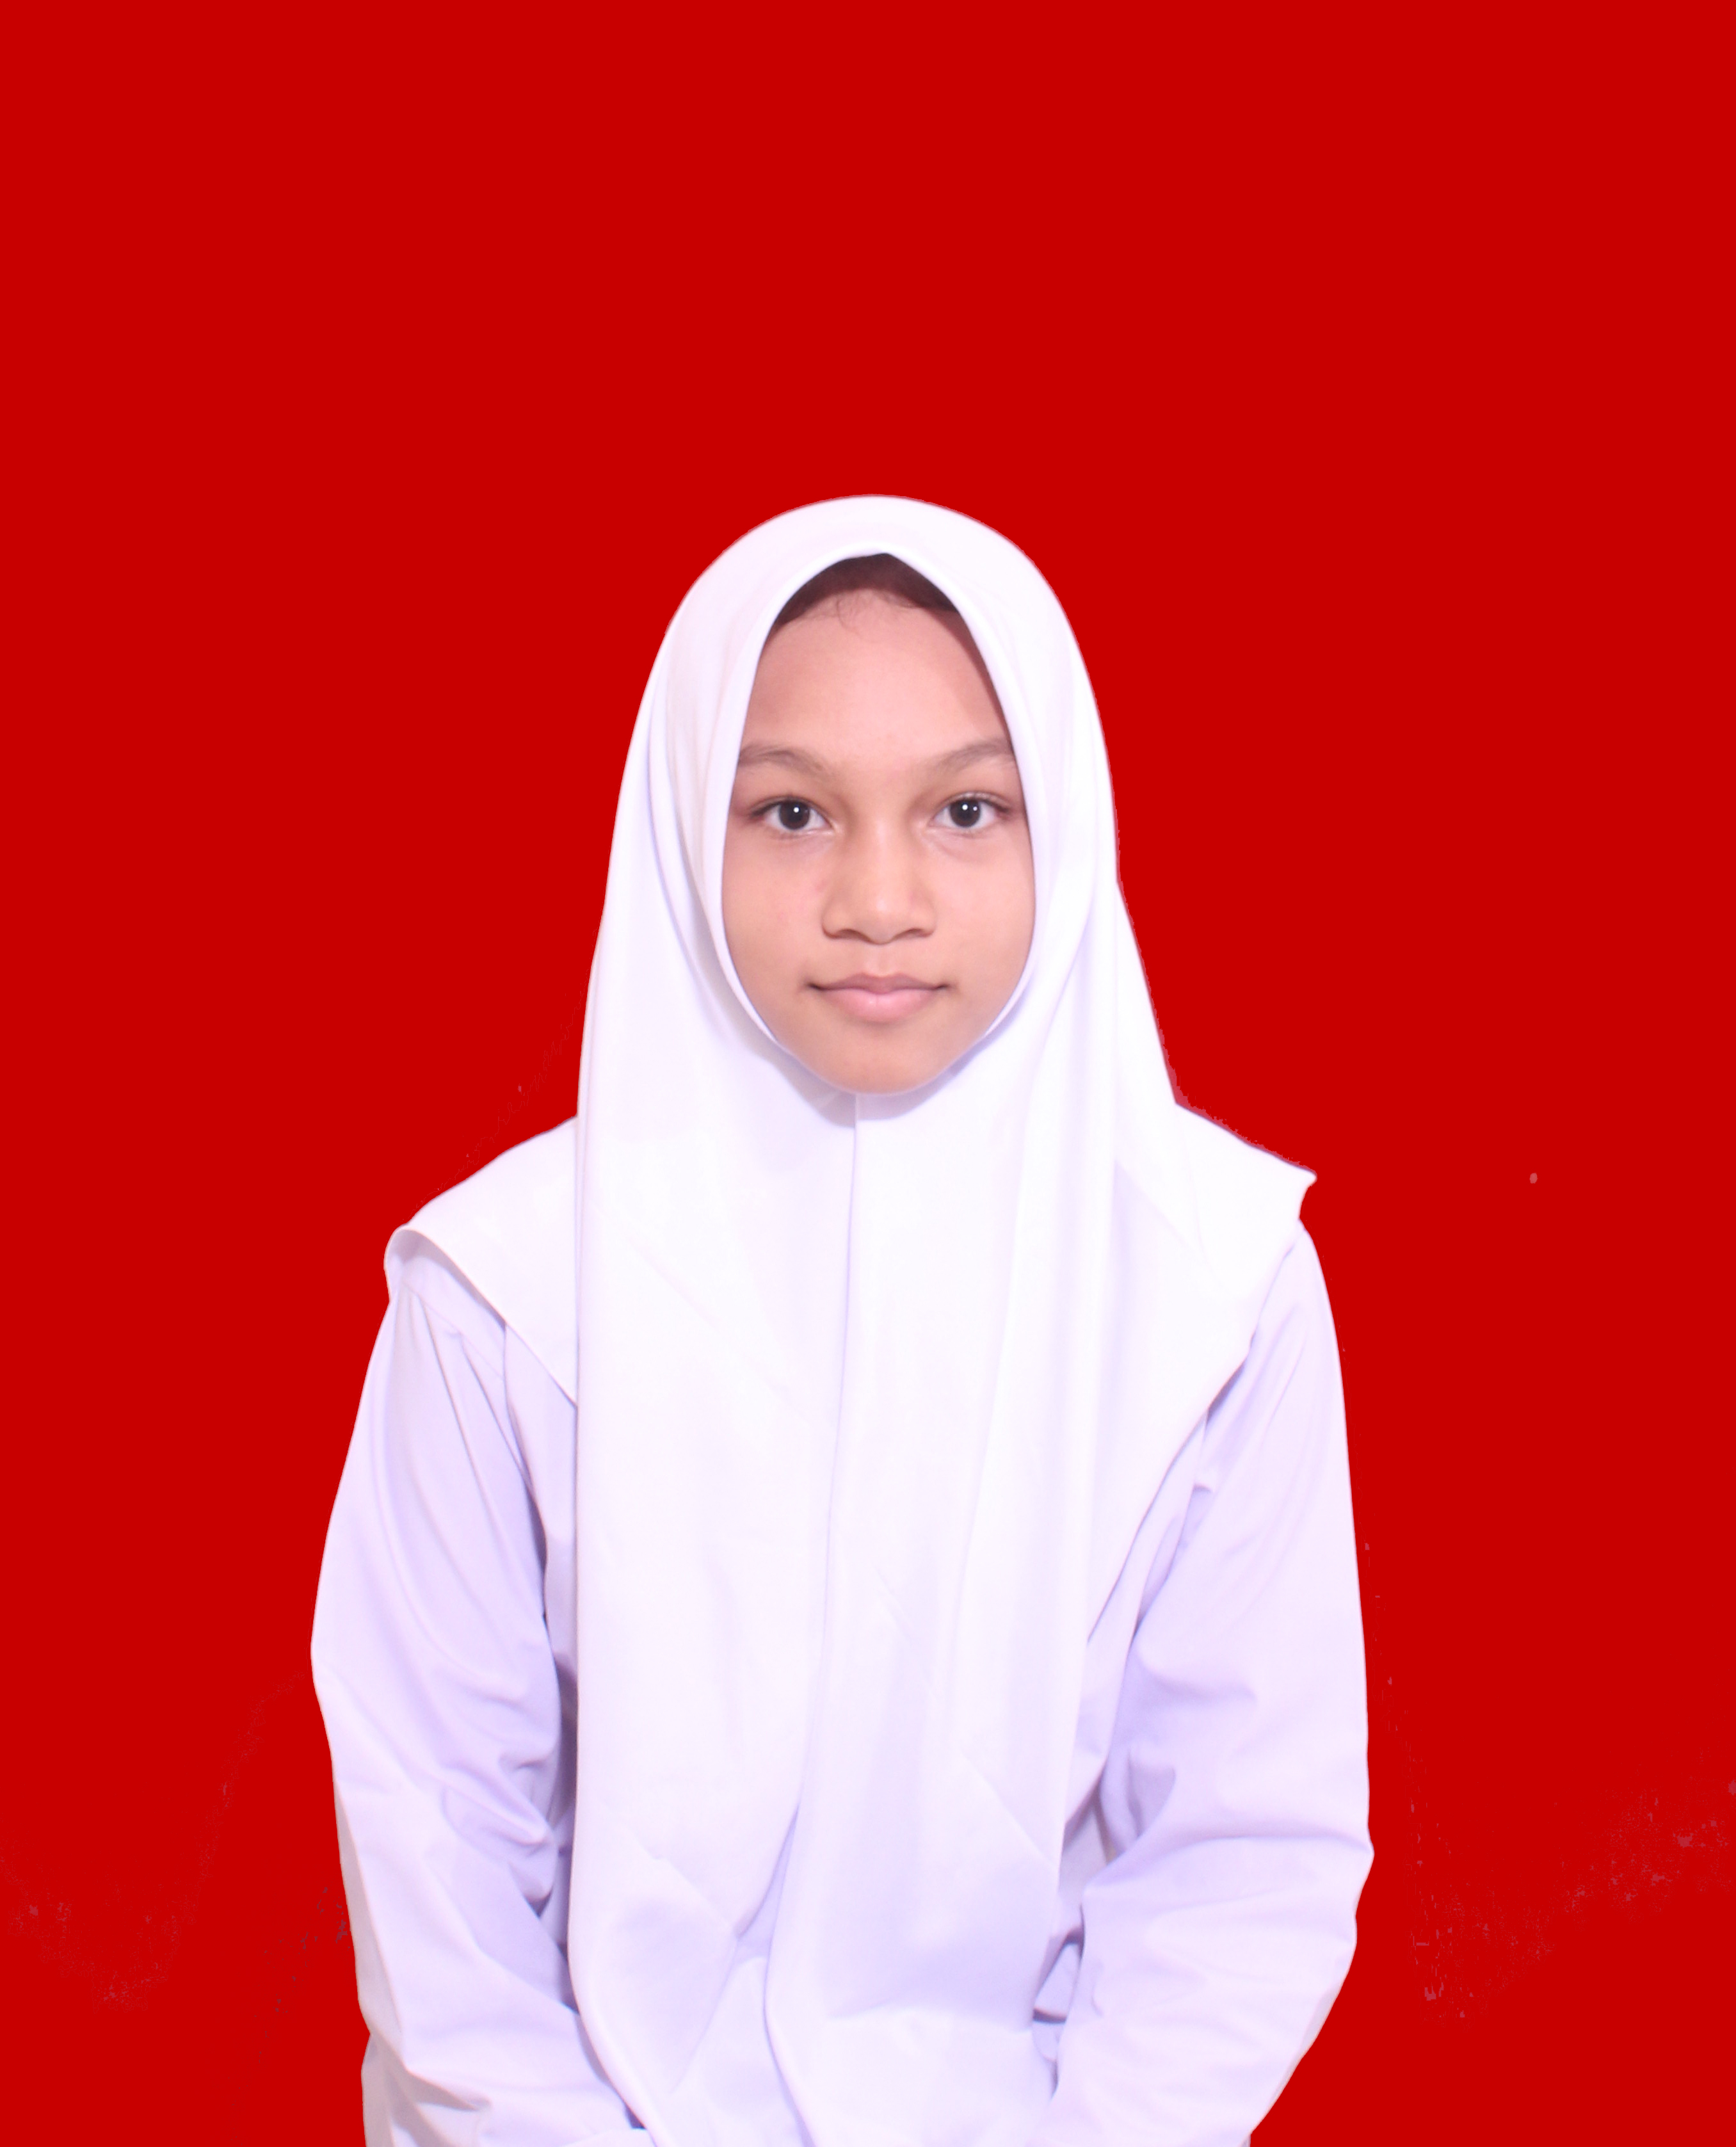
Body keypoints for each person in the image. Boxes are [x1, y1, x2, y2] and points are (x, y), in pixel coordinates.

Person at [312, 498, 1372, 2147]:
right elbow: (435, 1849)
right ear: (683, 820)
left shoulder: (1215, 1289)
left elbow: (1242, 1857)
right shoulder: (505, 1291)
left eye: (966, 809)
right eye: (793, 812)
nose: (880, 898)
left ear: (1067, 820)